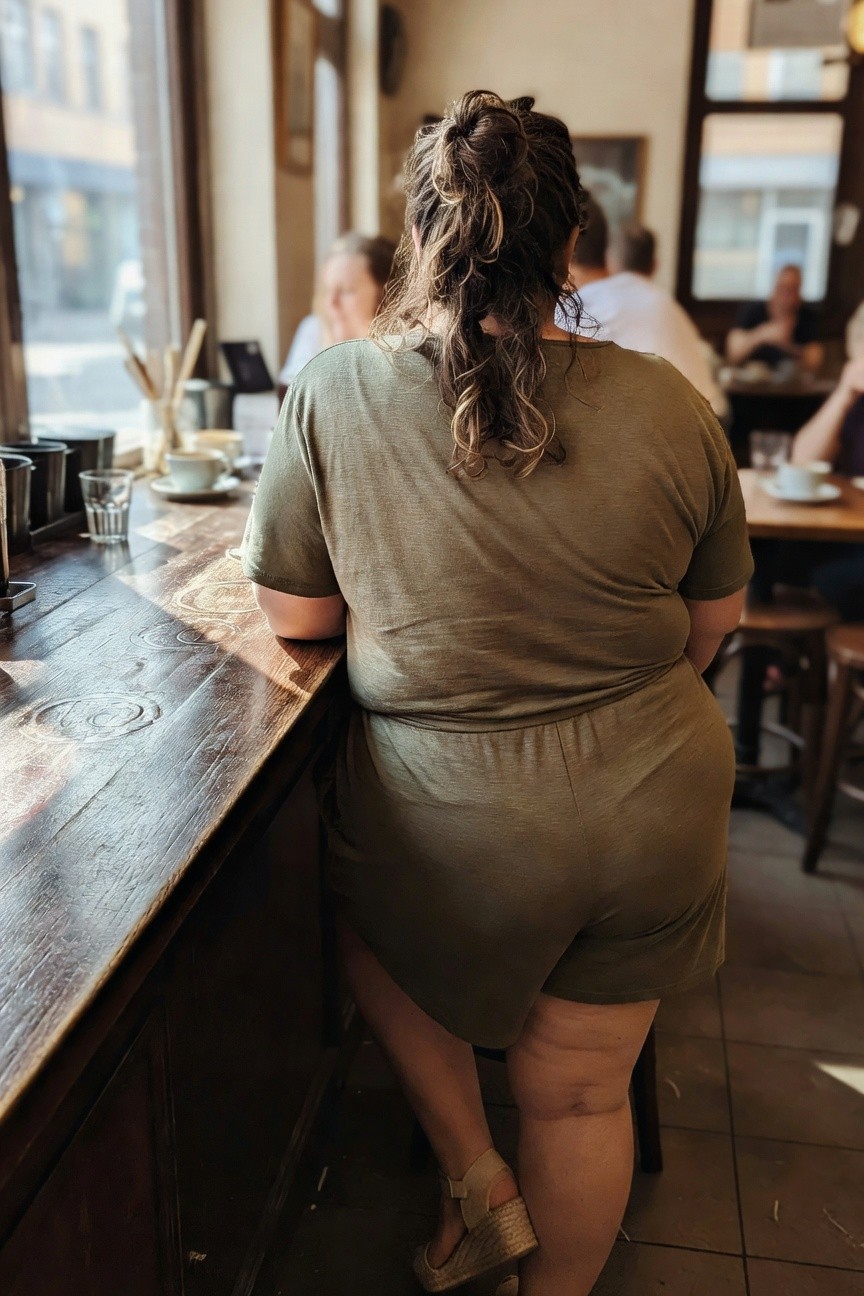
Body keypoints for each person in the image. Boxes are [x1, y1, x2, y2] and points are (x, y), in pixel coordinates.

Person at [242, 90, 752, 1296]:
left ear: (420, 237)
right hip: (656, 804)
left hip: (446, 820)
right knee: (580, 1093)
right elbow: (713, 626)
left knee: (356, 908)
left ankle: (479, 1180)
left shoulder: (333, 393)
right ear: (570, 242)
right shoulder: (671, 404)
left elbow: (297, 616)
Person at [750, 301, 864, 620]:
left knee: (833, 581)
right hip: (849, 534)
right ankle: (767, 652)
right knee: (759, 555)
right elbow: (802, 459)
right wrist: (844, 393)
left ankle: (811, 650)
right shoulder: (856, 400)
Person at [559, 215, 727, 418]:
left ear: (609, 261)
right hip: (712, 415)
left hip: (669, 418)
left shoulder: (591, 299)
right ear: (655, 265)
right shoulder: (672, 308)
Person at [277, 232, 396, 387]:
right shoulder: (313, 329)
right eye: (327, 290)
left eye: (346, 291)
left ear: (385, 295)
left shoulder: (402, 351)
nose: (331, 302)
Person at [726, 264, 824, 375]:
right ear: (775, 287)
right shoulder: (753, 310)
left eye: (792, 290)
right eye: (783, 288)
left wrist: (787, 346)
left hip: (791, 381)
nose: (787, 296)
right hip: (750, 379)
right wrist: (762, 334)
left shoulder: (807, 317)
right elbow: (733, 354)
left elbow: (815, 361)